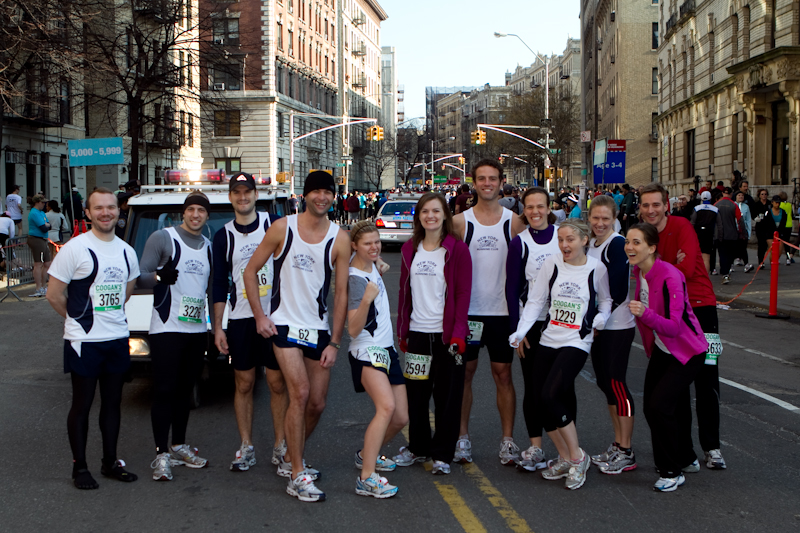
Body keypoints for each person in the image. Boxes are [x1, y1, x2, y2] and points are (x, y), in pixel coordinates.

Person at [244, 170, 350, 502]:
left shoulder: (340, 238)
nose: (322, 197)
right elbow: (250, 271)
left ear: (333, 197)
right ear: (305, 195)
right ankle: (297, 473)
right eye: (316, 191)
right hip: (284, 325)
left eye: (327, 192)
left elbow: (342, 294)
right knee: (300, 393)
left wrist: (335, 341)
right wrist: (260, 316)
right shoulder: (282, 228)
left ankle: (291, 455)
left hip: (317, 329)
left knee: (317, 403)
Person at [46, 188, 140, 490]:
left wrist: (107, 320)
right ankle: (80, 468)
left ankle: (110, 462)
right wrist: (77, 321)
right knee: (82, 404)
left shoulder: (127, 251)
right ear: (87, 213)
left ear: (118, 211)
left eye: (110, 207)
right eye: (98, 208)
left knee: (112, 404)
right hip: (84, 342)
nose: (105, 213)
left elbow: (126, 293)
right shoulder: (75, 249)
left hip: (116, 338)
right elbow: (54, 295)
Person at [509, 219, 612, 490]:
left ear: (584, 240)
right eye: (561, 240)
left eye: (570, 240)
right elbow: (536, 301)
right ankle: (565, 457)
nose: (564, 245)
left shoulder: (596, 268)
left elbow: (606, 301)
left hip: (576, 341)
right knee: (539, 400)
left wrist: (602, 317)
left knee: (550, 395)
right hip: (548, 338)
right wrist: (520, 331)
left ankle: (578, 457)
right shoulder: (551, 263)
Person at [638, 182, 726, 470]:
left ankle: (712, 447)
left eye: (656, 204)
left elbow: (685, 271)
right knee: (675, 386)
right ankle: (685, 453)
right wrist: (668, 267)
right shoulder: (644, 235)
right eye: (645, 205)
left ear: (666, 205)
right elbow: (650, 274)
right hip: (669, 312)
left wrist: (661, 268)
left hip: (700, 307)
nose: (651, 210)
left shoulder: (682, 226)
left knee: (707, 378)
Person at [212, 172, 288, 473]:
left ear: (256, 195)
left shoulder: (275, 224)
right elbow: (219, 284)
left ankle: (281, 445)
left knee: (276, 382)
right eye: (237, 192)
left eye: (247, 192)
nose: (242, 197)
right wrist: (218, 327)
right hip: (241, 318)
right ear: (230, 197)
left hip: (275, 316)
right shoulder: (223, 236)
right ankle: (246, 446)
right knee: (244, 383)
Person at [452, 159, 527, 465]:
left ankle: (508, 440)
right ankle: (462, 437)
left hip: (501, 313)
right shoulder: (459, 222)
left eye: (492, 178)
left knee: (503, 375)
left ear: (501, 182)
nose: (487, 183)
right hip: (469, 313)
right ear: (474, 183)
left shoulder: (514, 222)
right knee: (464, 375)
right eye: (481, 178)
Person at [625, 224, 709, 492]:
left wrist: (644, 313)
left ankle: (671, 471)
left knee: (659, 406)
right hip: (663, 350)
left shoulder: (670, 275)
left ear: (652, 248)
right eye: (627, 241)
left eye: (636, 242)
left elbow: (674, 326)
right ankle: (685, 458)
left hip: (687, 351)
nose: (629, 247)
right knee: (654, 407)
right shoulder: (640, 272)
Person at [394, 192, 471, 475]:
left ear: (445, 215)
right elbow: (404, 292)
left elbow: (462, 294)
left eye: (436, 211)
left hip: (446, 336)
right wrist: (403, 331)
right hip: (417, 333)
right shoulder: (409, 249)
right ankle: (418, 447)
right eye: (425, 211)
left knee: (447, 397)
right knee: (416, 395)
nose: (431, 216)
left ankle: (442, 454)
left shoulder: (457, 249)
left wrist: (459, 333)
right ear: (419, 216)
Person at [138, 192, 213, 481]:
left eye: (201, 211)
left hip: (196, 330)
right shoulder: (163, 238)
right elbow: (139, 275)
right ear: (184, 213)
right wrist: (159, 276)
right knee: (164, 390)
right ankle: (161, 455)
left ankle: (179, 446)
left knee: (185, 390)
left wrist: (215, 327)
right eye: (191, 209)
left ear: (207, 216)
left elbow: (210, 290)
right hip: (166, 328)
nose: (195, 215)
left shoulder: (208, 247)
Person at [347, 220, 407, 498]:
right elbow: (352, 328)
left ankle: (366, 456)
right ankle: (366, 478)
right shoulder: (356, 280)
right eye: (367, 243)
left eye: (377, 242)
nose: (374, 247)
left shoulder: (370, 264)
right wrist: (367, 299)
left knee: (401, 417)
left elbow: (373, 260)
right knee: (386, 407)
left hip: (387, 349)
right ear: (354, 246)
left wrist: (377, 262)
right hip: (367, 350)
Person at [505, 187, 561, 471]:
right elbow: (512, 289)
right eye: (529, 207)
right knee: (534, 386)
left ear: (549, 208)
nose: (535, 212)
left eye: (540, 206)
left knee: (561, 388)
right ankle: (536, 447)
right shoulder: (520, 243)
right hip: (533, 325)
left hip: (562, 324)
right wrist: (519, 331)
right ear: (523, 211)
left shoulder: (563, 237)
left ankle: (567, 451)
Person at [586, 196, 638, 474]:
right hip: (597, 326)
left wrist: (599, 318)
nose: (600, 223)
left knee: (617, 385)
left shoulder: (617, 244)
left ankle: (626, 449)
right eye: (595, 217)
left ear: (615, 218)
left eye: (606, 218)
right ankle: (617, 443)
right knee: (605, 383)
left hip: (616, 326)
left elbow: (617, 289)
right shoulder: (591, 244)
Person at [714, 187, 743, 285]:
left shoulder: (716, 205)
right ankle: (727, 271)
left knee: (722, 254)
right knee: (730, 254)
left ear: (722, 194)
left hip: (720, 234)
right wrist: (742, 232)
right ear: (731, 194)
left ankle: (724, 272)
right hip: (731, 234)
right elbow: (740, 220)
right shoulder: (734, 205)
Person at [27, 195, 52, 297]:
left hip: (43, 239)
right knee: (38, 264)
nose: (44, 204)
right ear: (37, 202)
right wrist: (47, 225)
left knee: (47, 263)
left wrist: (47, 225)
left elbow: (49, 225)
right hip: (37, 239)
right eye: (42, 203)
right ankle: (38, 287)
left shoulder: (41, 213)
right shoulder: (34, 213)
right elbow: (44, 227)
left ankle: (44, 285)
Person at [690, 191, 717, 274]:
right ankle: (706, 275)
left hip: (698, 233)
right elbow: (719, 224)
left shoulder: (697, 208)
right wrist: (718, 236)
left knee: (698, 255)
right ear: (710, 198)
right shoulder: (715, 209)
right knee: (706, 257)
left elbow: (692, 222)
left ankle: (698, 273)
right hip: (709, 234)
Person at [734, 191, 754, 273]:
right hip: (734, 229)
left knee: (743, 247)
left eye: (742, 195)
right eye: (739, 195)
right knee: (733, 247)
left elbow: (748, 219)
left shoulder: (746, 207)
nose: (741, 197)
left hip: (742, 229)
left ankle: (746, 264)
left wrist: (748, 231)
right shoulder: (733, 205)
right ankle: (731, 264)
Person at [752, 188, 772, 266]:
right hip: (760, 226)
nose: (764, 196)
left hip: (768, 226)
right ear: (759, 195)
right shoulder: (756, 204)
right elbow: (753, 213)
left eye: (765, 194)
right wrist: (755, 218)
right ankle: (761, 261)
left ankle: (768, 258)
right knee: (761, 244)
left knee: (767, 244)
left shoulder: (770, 204)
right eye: (762, 194)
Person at [778, 191, 794, 265]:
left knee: (780, 243)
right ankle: (788, 258)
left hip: (782, 225)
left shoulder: (780, 205)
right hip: (789, 225)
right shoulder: (789, 205)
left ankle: (778, 258)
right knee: (787, 242)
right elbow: (792, 215)